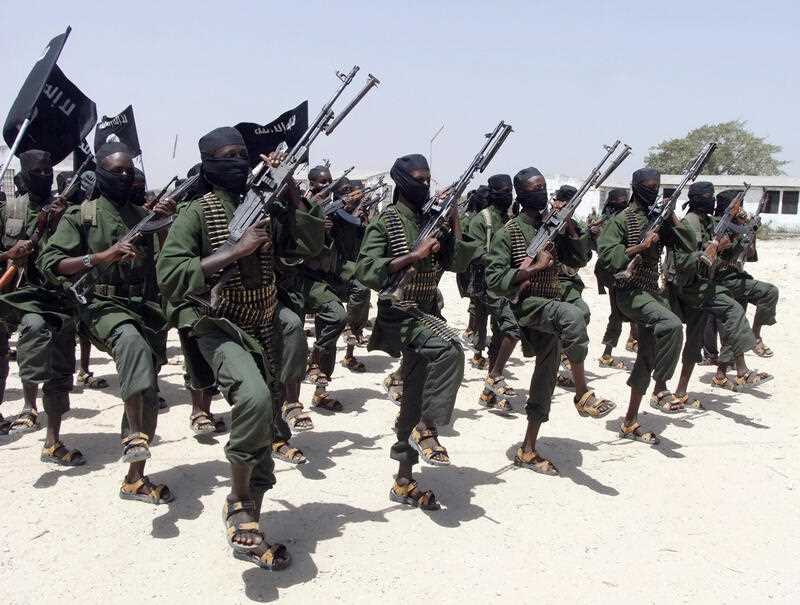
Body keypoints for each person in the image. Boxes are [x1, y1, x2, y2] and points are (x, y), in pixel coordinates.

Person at [157, 126, 324, 569]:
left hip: (264, 323)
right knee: (250, 398)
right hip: (220, 325)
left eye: (242, 155)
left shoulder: (266, 203)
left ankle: (251, 523)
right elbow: (171, 276)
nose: (237, 162)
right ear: (210, 163)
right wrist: (235, 251)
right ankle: (236, 501)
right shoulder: (198, 211)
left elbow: (311, 245)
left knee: (266, 417)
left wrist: (290, 191)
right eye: (227, 156)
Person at [39, 142, 174, 502]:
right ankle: (132, 435)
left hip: (144, 308)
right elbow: (51, 263)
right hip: (101, 305)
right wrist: (99, 257)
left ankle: (135, 478)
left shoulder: (140, 214)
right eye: (117, 171)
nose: (126, 176)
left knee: (146, 384)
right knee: (130, 343)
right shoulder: (82, 215)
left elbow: (164, 261)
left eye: (130, 170)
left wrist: (162, 224)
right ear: (100, 173)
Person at [356, 153, 477, 509]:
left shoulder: (433, 219)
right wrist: (413, 255)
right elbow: (366, 270)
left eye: (429, 180)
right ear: (401, 181)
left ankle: (404, 479)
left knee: (413, 392)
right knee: (450, 349)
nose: (425, 186)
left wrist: (453, 222)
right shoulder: (387, 221)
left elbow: (459, 262)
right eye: (418, 180)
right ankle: (428, 426)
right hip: (400, 313)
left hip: (427, 310)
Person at [485, 167, 616, 475]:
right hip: (526, 306)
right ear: (522, 194)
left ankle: (528, 448)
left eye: (544, 187)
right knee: (573, 314)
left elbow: (579, 259)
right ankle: (582, 392)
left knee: (544, 378)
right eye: (534, 188)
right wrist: (532, 269)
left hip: (549, 306)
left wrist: (569, 225)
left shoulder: (552, 225)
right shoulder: (510, 232)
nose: (541, 193)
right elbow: (493, 279)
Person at [597, 168, 697, 443]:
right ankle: (661, 388)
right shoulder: (621, 220)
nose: (652, 190)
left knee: (646, 357)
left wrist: (671, 215)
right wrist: (639, 248)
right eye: (647, 186)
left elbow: (689, 244)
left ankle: (629, 421)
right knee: (672, 324)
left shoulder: (658, 218)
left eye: (657, 186)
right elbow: (607, 257)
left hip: (653, 291)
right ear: (635, 186)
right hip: (629, 293)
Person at [0, 151, 83, 466]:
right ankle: (27, 405)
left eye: (49, 169)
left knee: (60, 369)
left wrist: (60, 223)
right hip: (19, 297)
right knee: (32, 336)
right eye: (38, 170)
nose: (45, 174)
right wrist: (10, 252)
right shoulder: (11, 210)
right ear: (23, 174)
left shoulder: (67, 210)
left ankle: (53, 439)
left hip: (58, 296)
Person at [667, 181, 761, 406]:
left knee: (693, 342)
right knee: (732, 309)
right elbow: (682, 262)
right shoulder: (689, 222)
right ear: (699, 200)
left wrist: (740, 225)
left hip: (700, 285)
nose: (713, 201)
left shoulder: (707, 221)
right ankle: (750, 348)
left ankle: (680, 393)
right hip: (684, 287)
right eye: (708, 197)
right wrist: (714, 248)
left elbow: (723, 252)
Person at [708, 188, 778, 388]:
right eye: (739, 206)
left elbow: (750, 255)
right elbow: (712, 254)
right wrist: (734, 237)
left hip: (737, 277)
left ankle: (722, 374)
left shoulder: (738, 226)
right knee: (769, 292)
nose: (742, 210)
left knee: (734, 327)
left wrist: (750, 232)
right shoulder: (717, 226)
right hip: (722, 280)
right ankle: (752, 343)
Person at [467, 174, 520, 413]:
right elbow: (474, 252)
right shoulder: (482, 219)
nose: (508, 195)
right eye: (504, 191)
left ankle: (490, 391)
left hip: (506, 285)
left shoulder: (511, 218)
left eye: (510, 190)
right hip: (486, 285)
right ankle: (492, 380)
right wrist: (500, 262)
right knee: (502, 329)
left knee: (500, 336)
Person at [592, 188, 639, 367]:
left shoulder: (619, 219)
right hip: (614, 273)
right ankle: (606, 354)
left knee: (630, 310)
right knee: (617, 313)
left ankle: (632, 340)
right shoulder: (612, 221)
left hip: (622, 272)